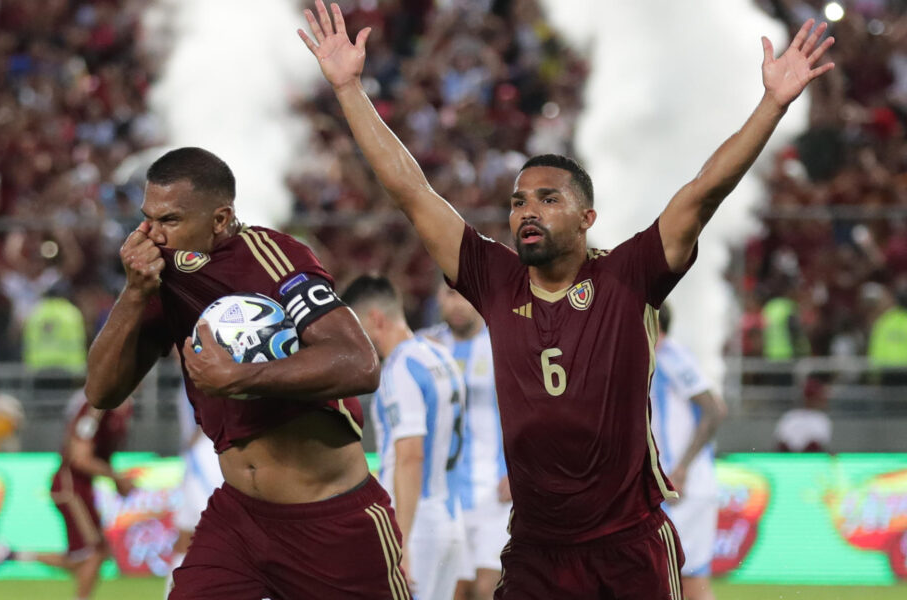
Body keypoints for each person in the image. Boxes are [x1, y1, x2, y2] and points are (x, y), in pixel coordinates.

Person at [300, 3, 834, 596]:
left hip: (626, 544)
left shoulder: (628, 277)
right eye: (518, 201)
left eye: (547, 199)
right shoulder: (493, 278)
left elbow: (704, 191)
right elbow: (410, 190)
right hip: (536, 548)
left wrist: (771, 105)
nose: (526, 211)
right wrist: (349, 89)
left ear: (587, 218)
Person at [83, 147, 406, 599]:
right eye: (147, 218)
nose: (150, 235)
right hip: (239, 520)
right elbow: (101, 391)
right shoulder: (165, 280)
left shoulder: (276, 257)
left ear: (220, 220)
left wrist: (240, 378)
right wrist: (135, 294)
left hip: (332, 522)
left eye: (169, 220)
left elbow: (359, 362)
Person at [342, 275, 466, 600]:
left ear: (375, 319)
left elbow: (410, 456)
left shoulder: (399, 369)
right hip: (451, 516)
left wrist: (402, 543)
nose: (355, 339)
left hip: (417, 523)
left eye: (356, 327)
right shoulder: (441, 356)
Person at [0, 390, 134, 600]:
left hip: (81, 488)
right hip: (70, 488)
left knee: (85, 558)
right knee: (94, 552)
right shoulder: (96, 406)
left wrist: (115, 479)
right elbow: (80, 457)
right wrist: (116, 477)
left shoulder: (121, 407)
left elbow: (98, 453)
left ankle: (11, 554)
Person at [420, 284, 509, 600]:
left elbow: (531, 412)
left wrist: (517, 470)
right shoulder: (424, 349)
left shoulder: (504, 344)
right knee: (451, 590)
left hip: (495, 489)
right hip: (443, 496)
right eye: (449, 294)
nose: (458, 304)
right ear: (438, 299)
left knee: (489, 587)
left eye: (465, 295)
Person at [650, 306, 728, 600]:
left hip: (683, 488)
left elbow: (715, 409)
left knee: (688, 585)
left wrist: (681, 469)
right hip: (668, 488)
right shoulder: (653, 359)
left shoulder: (671, 356)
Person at [165, 382, 224, 599]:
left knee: (211, 533)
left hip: (208, 455)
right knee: (186, 536)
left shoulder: (204, 364)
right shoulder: (187, 375)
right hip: (195, 460)